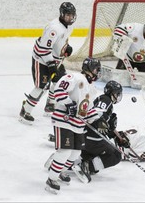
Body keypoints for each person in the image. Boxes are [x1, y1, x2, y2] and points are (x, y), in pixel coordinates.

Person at [45, 57, 101, 194]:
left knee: (75, 153)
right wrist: (69, 104)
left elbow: (89, 108)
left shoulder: (92, 89)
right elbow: (58, 90)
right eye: (96, 69)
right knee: (65, 151)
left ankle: (61, 171)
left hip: (78, 124)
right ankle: (51, 179)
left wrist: (98, 119)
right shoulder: (75, 77)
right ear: (88, 69)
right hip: (63, 120)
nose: (97, 72)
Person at [19, 2, 76, 125]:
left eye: (72, 15)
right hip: (42, 60)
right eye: (67, 15)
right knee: (41, 87)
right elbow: (42, 50)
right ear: (61, 15)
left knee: (59, 81)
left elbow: (58, 42)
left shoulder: (67, 26)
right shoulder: (54, 29)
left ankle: (50, 105)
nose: (70, 18)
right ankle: (25, 111)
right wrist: (51, 65)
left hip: (54, 60)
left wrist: (66, 47)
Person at [73, 120, 145, 183]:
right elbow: (136, 156)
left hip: (107, 139)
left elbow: (124, 135)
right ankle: (87, 166)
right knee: (115, 157)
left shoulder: (138, 127)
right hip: (113, 148)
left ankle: (72, 162)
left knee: (91, 153)